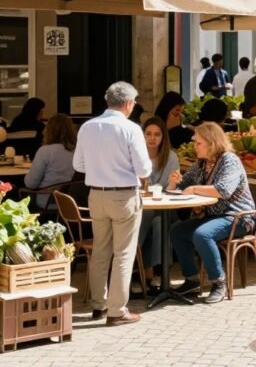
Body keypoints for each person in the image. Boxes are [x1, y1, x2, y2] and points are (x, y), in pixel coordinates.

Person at [73, 81, 151, 326]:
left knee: (100, 251)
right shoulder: (131, 129)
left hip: (96, 194)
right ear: (128, 103)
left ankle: (99, 305)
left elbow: (78, 165)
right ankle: (117, 310)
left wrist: (100, 168)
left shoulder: (87, 126)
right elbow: (144, 168)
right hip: (124, 195)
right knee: (124, 253)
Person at [168, 122, 256, 305]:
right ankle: (192, 280)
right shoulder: (201, 163)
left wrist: (193, 189)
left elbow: (223, 190)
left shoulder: (229, 160)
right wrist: (173, 183)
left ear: (212, 142)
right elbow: (184, 185)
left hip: (237, 216)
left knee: (202, 234)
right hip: (213, 216)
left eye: (198, 143)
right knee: (177, 231)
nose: (195, 146)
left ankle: (218, 283)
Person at [137, 117, 180, 295]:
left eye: (157, 134)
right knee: (151, 220)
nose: (152, 138)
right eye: (148, 134)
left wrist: (172, 184)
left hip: (166, 209)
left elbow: (171, 189)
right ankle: (152, 273)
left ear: (163, 137)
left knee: (156, 221)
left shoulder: (170, 157)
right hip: (143, 209)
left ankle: (139, 264)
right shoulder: (135, 156)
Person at [23, 114, 78, 210]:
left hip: (48, 201)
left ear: (48, 130)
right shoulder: (80, 151)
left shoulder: (45, 151)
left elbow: (30, 184)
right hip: (72, 202)